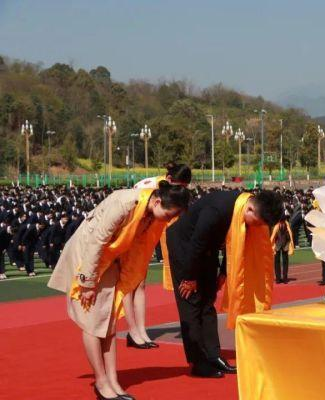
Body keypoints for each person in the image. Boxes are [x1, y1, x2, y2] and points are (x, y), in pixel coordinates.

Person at [47, 183, 189, 400]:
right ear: (158, 202)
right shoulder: (125, 203)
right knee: (92, 322)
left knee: (109, 321)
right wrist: (87, 282)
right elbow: (97, 241)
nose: (168, 220)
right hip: (86, 261)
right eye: (169, 215)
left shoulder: (149, 212)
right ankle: (101, 382)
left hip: (110, 260)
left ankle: (113, 380)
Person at [166, 189, 282, 378]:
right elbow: (197, 243)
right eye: (257, 223)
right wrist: (189, 278)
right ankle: (197, 362)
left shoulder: (242, 209)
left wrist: (223, 273)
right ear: (250, 209)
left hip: (207, 248)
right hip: (185, 247)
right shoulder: (217, 210)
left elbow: (236, 243)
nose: (255, 227)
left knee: (208, 300)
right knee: (191, 303)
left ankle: (213, 355)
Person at [123, 162, 192, 349]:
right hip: (132, 234)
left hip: (148, 237)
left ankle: (141, 330)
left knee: (140, 283)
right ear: (169, 179)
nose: (181, 191)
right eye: (180, 186)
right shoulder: (147, 187)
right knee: (128, 284)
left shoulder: (172, 190)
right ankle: (132, 330)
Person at [271, 216, 294, 284]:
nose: (282, 223)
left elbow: (290, 235)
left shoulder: (287, 226)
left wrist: (290, 243)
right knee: (277, 262)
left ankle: (285, 278)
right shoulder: (276, 226)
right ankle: (278, 278)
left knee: (285, 262)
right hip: (277, 245)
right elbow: (272, 236)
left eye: (283, 222)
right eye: (281, 222)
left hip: (285, 245)